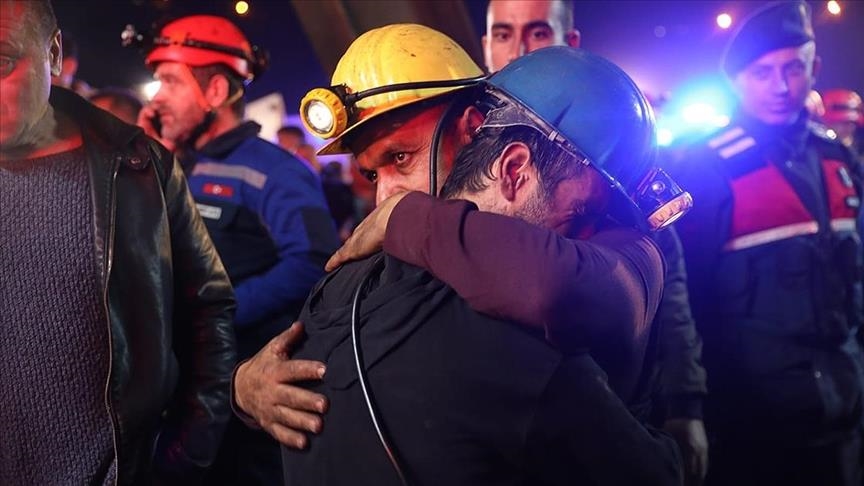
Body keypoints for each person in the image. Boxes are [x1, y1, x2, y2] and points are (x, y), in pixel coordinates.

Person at [235, 22, 687, 456]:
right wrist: (242, 387)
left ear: (473, 129)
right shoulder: (389, 260)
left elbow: (572, 286)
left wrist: (408, 219)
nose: (385, 194)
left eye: (402, 157)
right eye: (373, 174)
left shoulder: (564, 233)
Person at [0, 1, 236, 484]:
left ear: (53, 53)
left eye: (2, 61)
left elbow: (209, 309)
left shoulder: (139, 167)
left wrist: (188, 449)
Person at [483, 3, 709, 482]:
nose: (519, 50)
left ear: (571, 43)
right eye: (503, 34)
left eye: (537, 33)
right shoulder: (460, 136)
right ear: (485, 45)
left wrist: (685, 404)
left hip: (604, 414)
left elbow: (667, 292)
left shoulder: (612, 147)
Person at [134, 14, 340, 485]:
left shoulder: (275, 172)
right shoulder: (177, 163)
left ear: (215, 91)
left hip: (244, 399)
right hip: (184, 385)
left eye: (171, 81)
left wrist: (215, 313)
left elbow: (313, 261)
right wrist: (151, 161)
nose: (157, 97)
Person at [668, 2, 864, 485]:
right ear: (735, 81)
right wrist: (685, 405)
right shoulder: (705, 167)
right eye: (762, 73)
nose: (780, 86)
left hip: (845, 414)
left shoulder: (838, 161)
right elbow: (680, 300)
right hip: (751, 425)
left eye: (793, 68)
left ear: (814, 68)